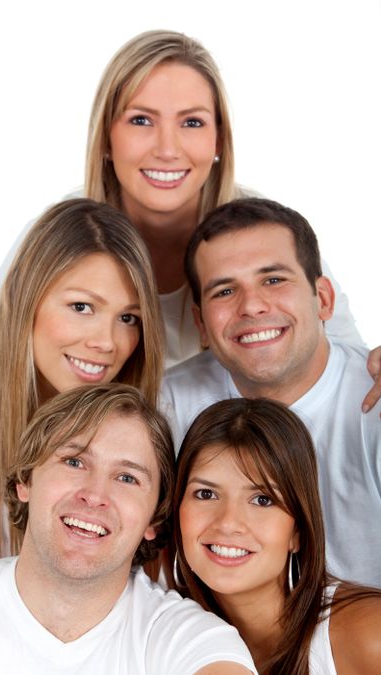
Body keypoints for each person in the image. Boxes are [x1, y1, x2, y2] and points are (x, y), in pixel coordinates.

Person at [0, 29, 380, 404]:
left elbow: (341, 358)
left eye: (192, 123)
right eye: (142, 120)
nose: (168, 148)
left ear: (219, 138)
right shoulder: (66, 232)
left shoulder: (259, 235)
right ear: (106, 137)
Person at [0, 385, 256, 675]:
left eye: (127, 478)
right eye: (74, 462)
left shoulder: (185, 638)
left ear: (153, 521)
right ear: (25, 481)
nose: (95, 495)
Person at [0, 197, 164, 591]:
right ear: (27, 296)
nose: (108, 342)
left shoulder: (144, 436)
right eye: (82, 306)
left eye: (128, 318)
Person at [161, 197, 381, 587]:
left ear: (324, 299)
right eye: (225, 291)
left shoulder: (374, 402)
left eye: (274, 280)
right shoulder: (170, 406)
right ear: (201, 324)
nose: (253, 306)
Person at [171, 397, 381, 674]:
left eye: (262, 500)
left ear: (298, 531)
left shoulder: (369, 633)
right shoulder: (167, 634)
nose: (228, 523)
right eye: (206, 494)